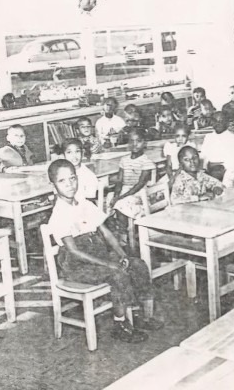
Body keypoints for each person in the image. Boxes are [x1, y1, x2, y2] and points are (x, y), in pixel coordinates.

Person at [46, 159, 161, 344]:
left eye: (72, 178)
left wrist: (122, 254)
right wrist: (109, 263)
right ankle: (120, 325)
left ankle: (142, 315)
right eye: (62, 181)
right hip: (77, 265)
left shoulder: (84, 204)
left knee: (137, 264)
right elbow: (74, 251)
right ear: (53, 186)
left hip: (97, 255)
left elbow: (106, 233)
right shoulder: (59, 214)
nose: (69, 184)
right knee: (118, 274)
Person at [110, 128, 155, 226]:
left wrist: (121, 197)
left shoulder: (146, 162)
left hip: (139, 193)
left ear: (145, 143)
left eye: (138, 141)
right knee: (110, 201)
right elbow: (119, 181)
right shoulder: (124, 160)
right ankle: (121, 228)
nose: (135, 144)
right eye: (131, 141)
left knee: (120, 204)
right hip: (125, 190)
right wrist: (116, 196)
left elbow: (139, 184)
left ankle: (125, 231)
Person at [200, 112, 234, 181]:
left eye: (221, 121)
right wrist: (206, 168)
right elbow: (203, 155)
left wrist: (221, 169)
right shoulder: (208, 137)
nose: (218, 123)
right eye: (215, 121)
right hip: (209, 171)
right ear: (211, 122)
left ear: (227, 123)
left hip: (225, 173)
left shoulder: (233, 138)